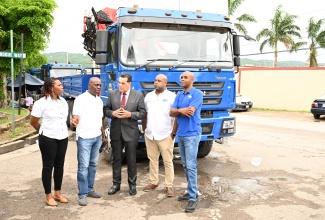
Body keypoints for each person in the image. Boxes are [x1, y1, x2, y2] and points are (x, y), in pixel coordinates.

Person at [103, 73, 146, 196]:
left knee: (131, 160)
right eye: (119, 83)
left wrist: (131, 115)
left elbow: (142, 112)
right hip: (116, 131)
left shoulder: (138, 95)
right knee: (116, 159)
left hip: (131, 133)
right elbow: (106, 110)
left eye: (123, 83)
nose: (120, 85)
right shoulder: (113, 94)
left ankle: (132, 185)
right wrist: (113, 113)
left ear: (129, 84)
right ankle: (116, 184)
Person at [30, 77, 69, 207]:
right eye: (60, 85)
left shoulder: (63, 101)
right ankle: (48, 195)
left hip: (63, 137)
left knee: (59, 165)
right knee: (48, 166)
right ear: (52, 88)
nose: (62, 86)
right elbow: (33, 122)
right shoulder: (41, 103)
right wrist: (44, 131)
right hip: (48, 138)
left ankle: (57, 193)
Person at [169, 71, 203, 213]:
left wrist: (179, 110)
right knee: (185, 164)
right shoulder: (179, 94)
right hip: (181, 134)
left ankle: (193, 198)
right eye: (181, 77)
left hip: (191, 134)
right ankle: (190, 192)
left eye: (185, 77)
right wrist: (180, 110)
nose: (182, 79)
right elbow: (171, 112)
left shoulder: (197, 94)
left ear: (192, 80)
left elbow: (191, 112)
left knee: (191, 165)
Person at [71, 77, 105, 206]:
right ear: (89, 85)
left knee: (93, 165)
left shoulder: (99, 100)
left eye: (100, 85)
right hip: (84, 137)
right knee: (83, 166)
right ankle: (82, 194)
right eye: (96, 85)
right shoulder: (80, 99)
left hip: (97, 137)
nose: (98, 87)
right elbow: (76, 116)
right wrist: (74, 121)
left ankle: (90, 189)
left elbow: (100, 119)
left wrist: (103, 135)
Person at [141, 74, 177, 197]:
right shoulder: (148, 96)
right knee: (152, 160)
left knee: (167, 161)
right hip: (150, 135)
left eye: (159, 81)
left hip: (166, 134)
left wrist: (173, 133)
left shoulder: (172, 97)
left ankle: (169, 186)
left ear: (165, 83)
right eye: (155, 80)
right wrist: (145, 129)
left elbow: (176, 116)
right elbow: (145, 114)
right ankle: (154, 182)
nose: (156, 82)